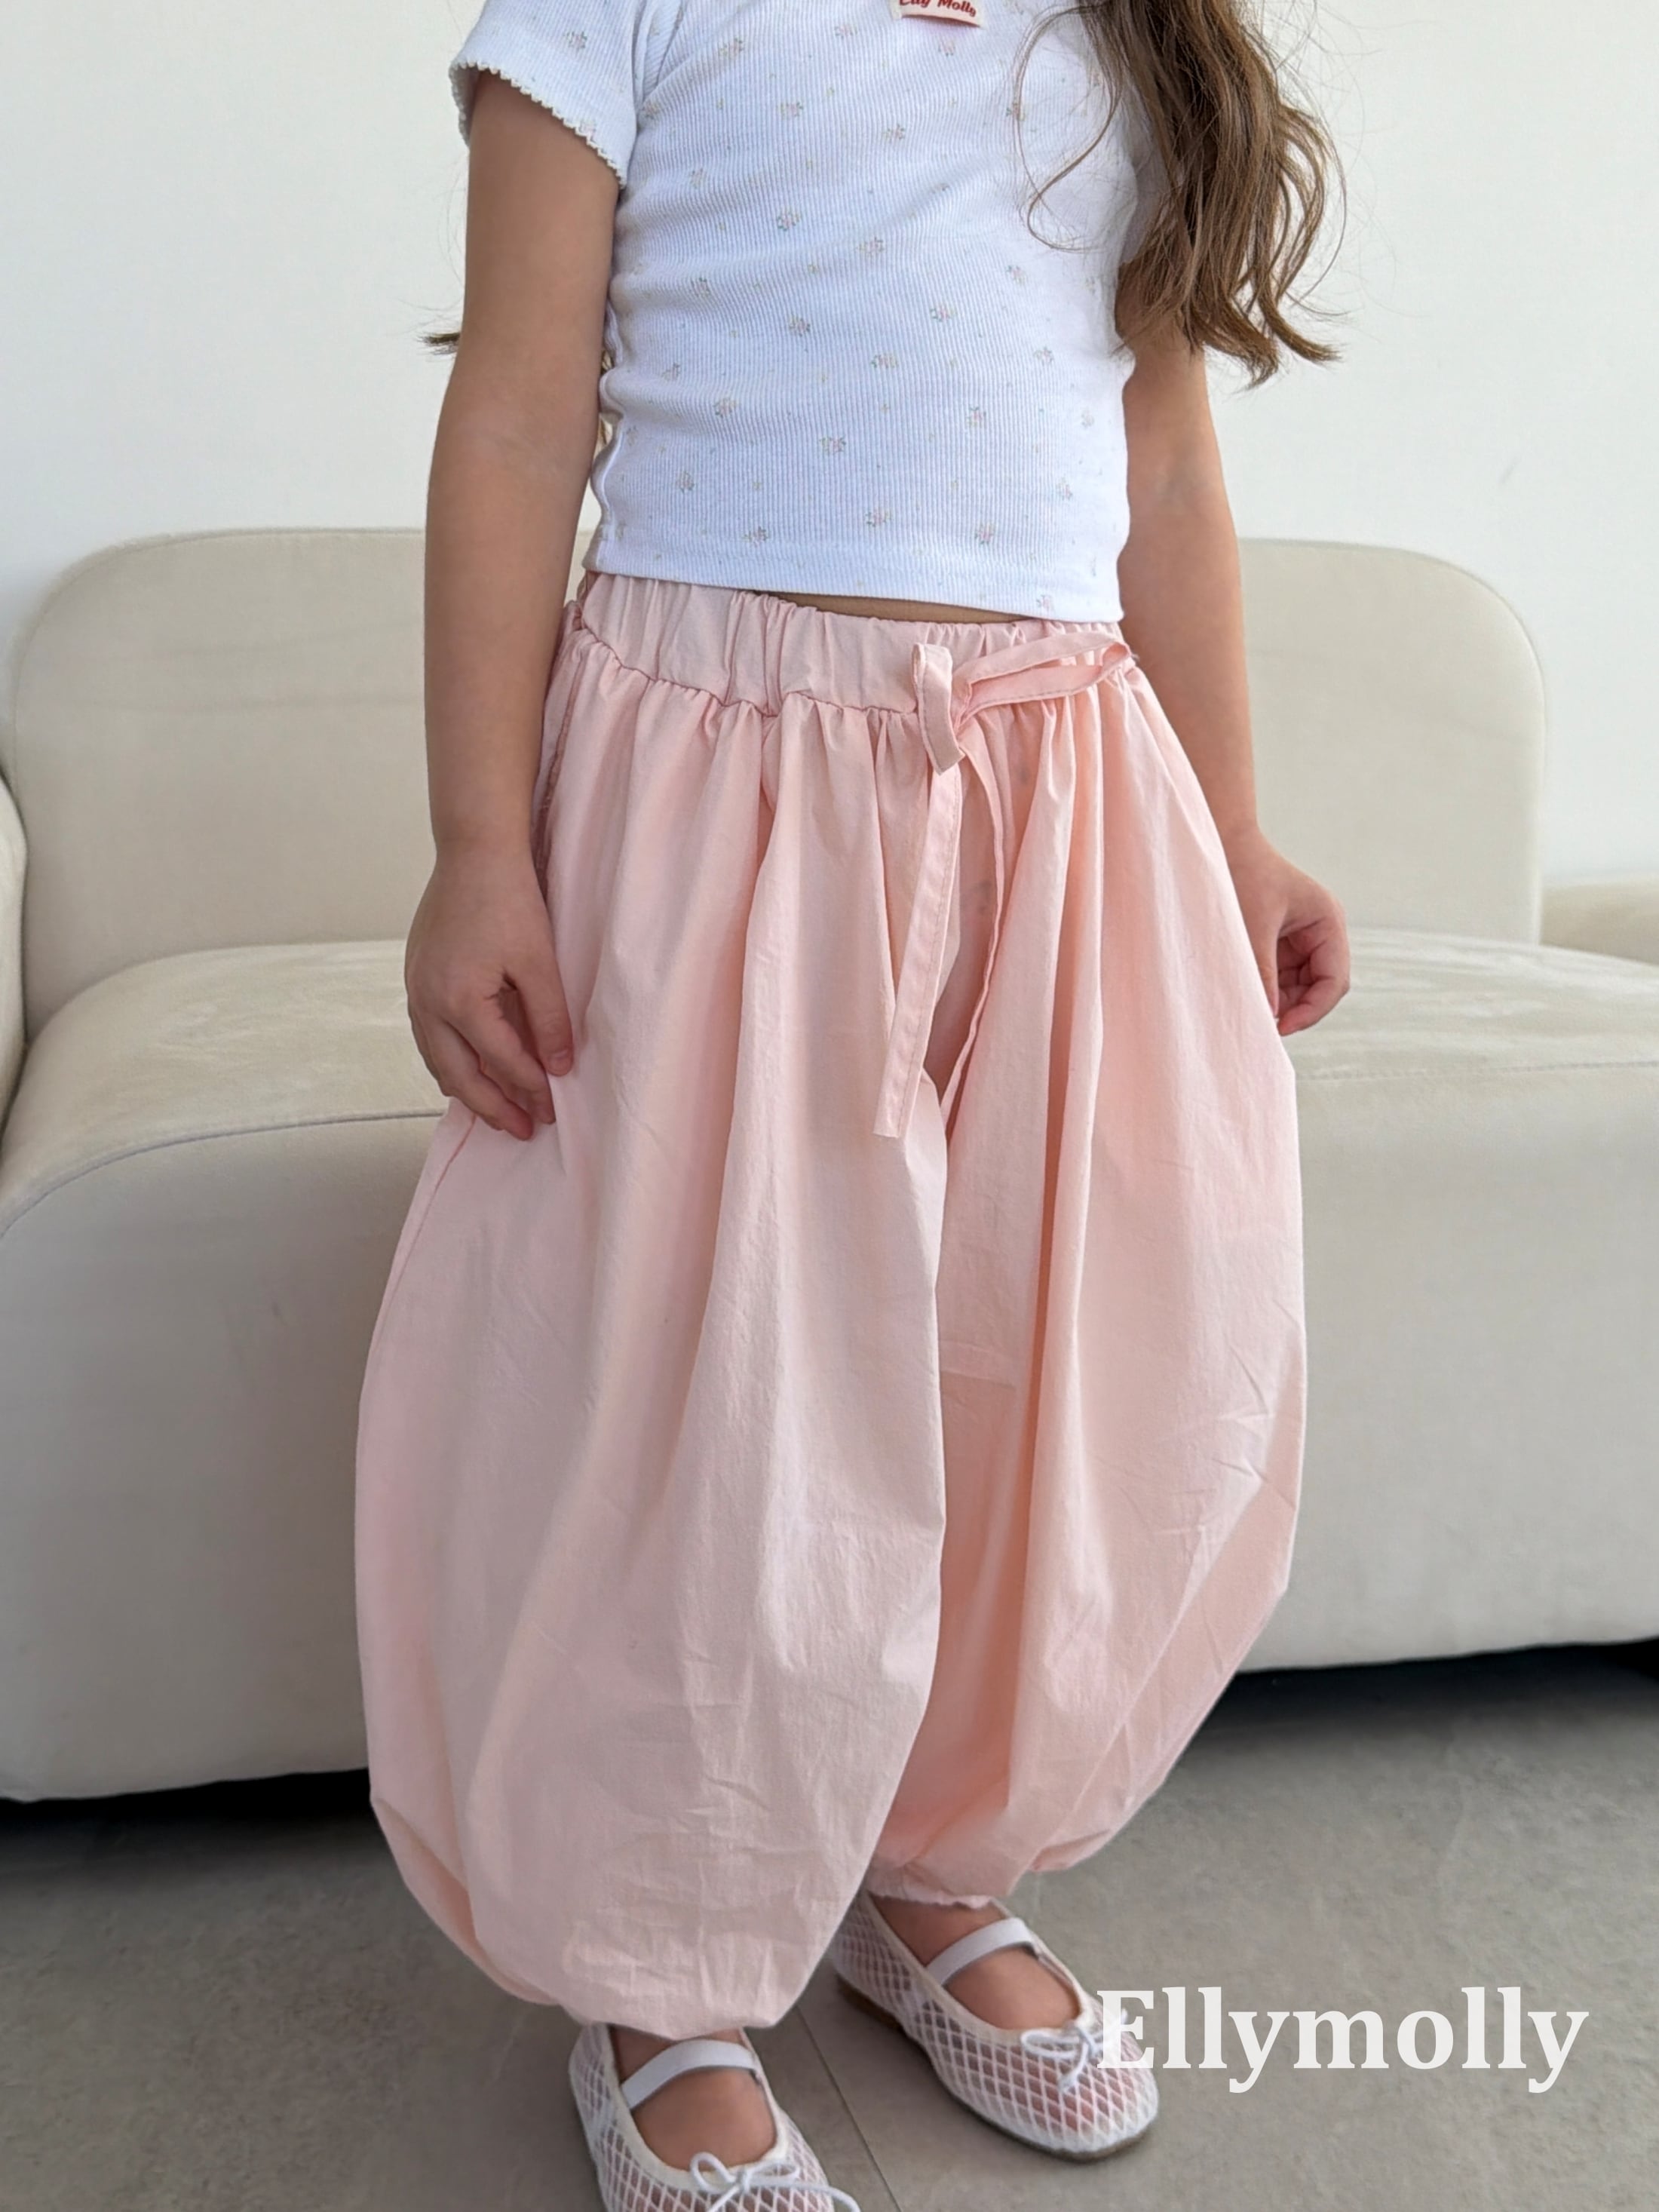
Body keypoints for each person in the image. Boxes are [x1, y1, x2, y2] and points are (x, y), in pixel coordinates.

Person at [354, 1, 1350, 2204]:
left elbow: (1167, 467)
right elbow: (515, 419)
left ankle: (930, 1853)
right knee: (710, 1392)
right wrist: (479, 845)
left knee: (1032, 1350)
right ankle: (660, 1965)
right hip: (715, 779)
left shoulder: (1126, 33)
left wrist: (1236, 829)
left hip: (1065, 781)